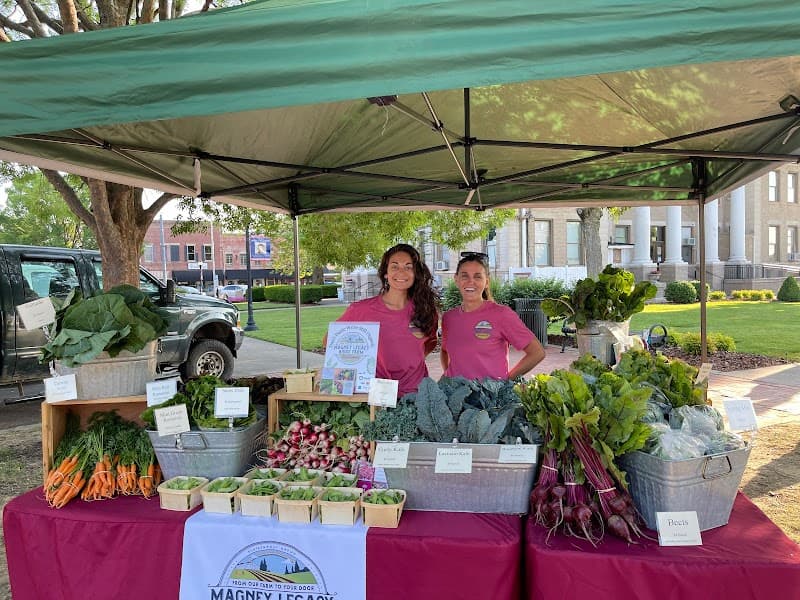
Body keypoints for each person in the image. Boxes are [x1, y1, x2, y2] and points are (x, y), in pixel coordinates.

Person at [325, 244, 439, 397]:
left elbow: (430, 343)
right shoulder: (360, 310)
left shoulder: (425, 310)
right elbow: (329, 341)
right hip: (376, 395)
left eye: (408, 267)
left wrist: (407, 362)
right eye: (394, 266)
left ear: (416, 273)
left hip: (416, 394)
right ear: (385, 273)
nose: (401, 272)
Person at [441, 252, 545, 380]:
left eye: (478, 277)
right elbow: (445, 351)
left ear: (486, 282)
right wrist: (448, 379)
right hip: (456, 398)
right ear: (456, 280)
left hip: (490, 398)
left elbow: (537, 352)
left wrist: (506, 382)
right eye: (464, 276)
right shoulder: (449, 318)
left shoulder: (501, 314)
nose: (470, 281)